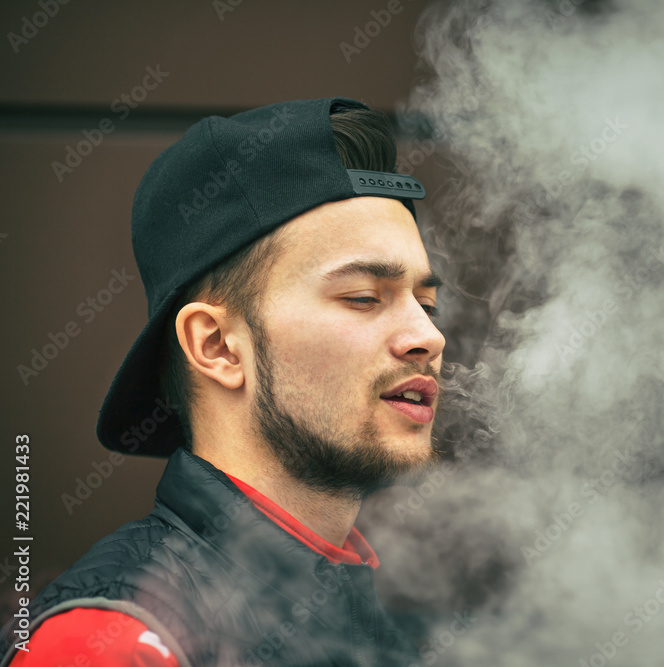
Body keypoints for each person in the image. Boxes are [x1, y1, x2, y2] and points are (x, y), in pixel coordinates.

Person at [0, 97, 445, 666]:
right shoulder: (112, 641)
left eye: (427, 302)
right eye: (363, 297)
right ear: (215, 346)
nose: (428, 336)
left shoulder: (398, 616)